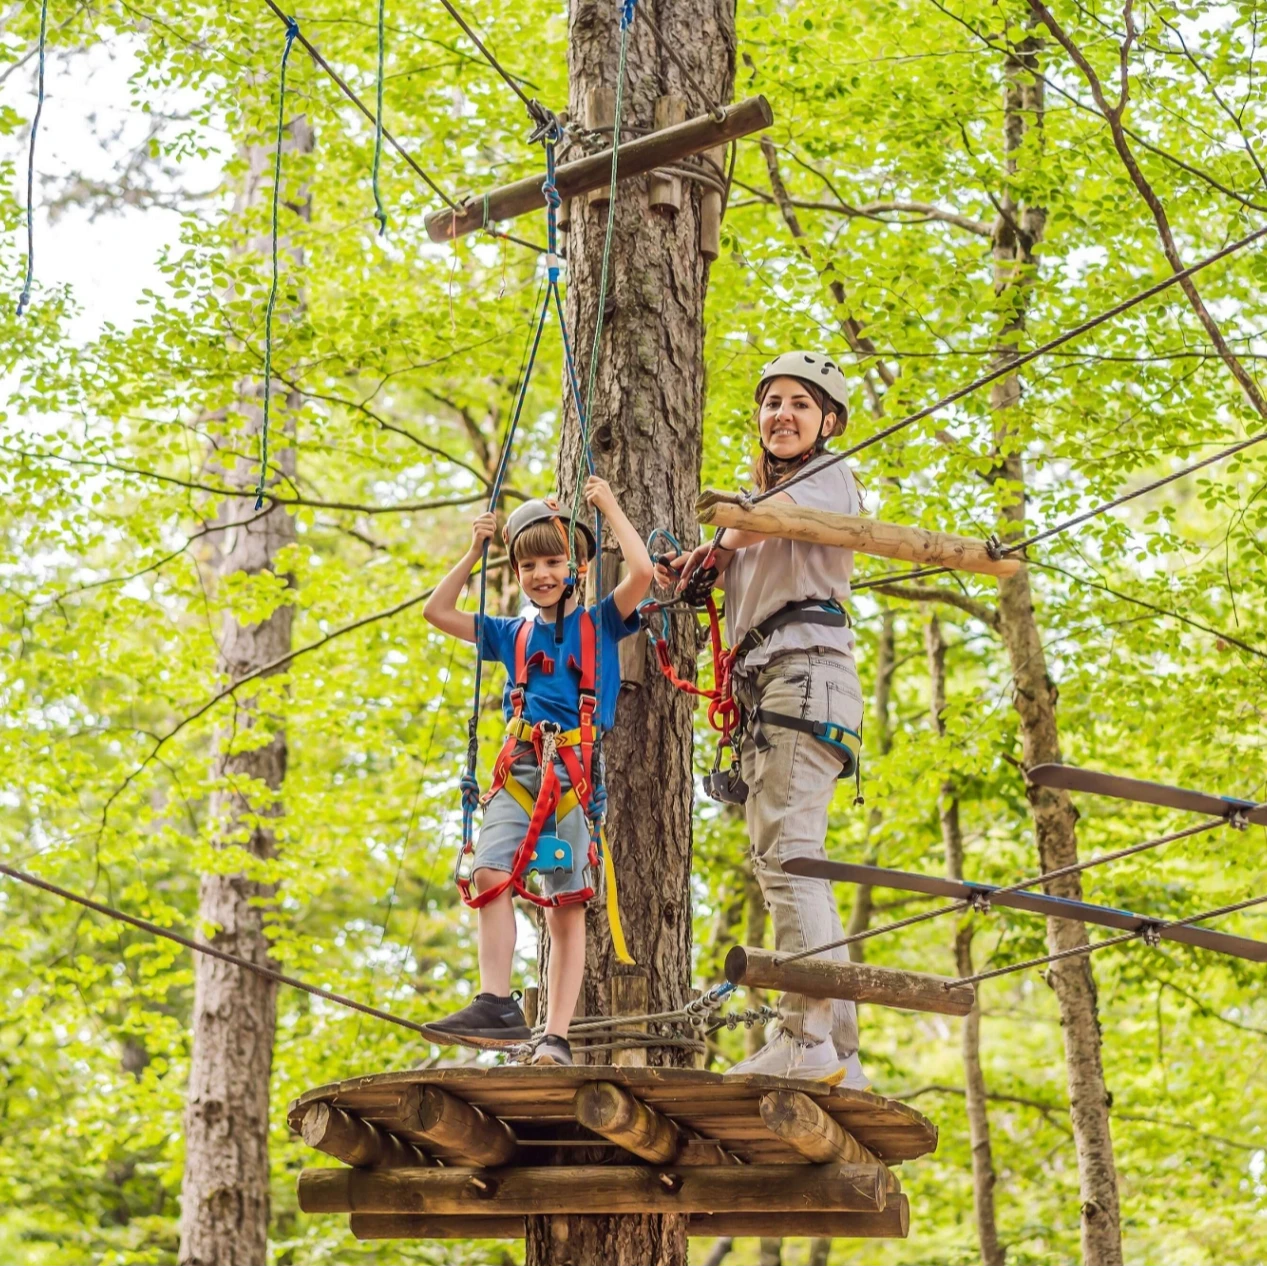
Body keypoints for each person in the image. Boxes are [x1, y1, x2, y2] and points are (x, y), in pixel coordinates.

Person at [660, 352, 868, 1086]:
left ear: (827, 423)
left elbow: (753, 523)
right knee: (794, 862)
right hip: (782, 687)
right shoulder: (764, 511)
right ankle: (836, 1049)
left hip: (801, 676)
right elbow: (747, 537)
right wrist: (701, 563)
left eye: (799, 405)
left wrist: (718, 541)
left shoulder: (826, 476)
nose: (780, 413)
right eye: (771, 401)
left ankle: (805, 1037)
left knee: (788, 863)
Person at [422, 478, 652, 1065]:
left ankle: (555, 1037)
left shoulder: (601, 622)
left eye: (553, 561)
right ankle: (497, 1002)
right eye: (528, 565)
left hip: (573, 776)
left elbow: (644, 574)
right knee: (487, 874)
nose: (541, 574)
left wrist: (609, 507)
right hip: (520, 768)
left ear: (576, 564)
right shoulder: (511, 633)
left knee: (563, 904)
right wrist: (474, 553)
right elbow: (437, 611)